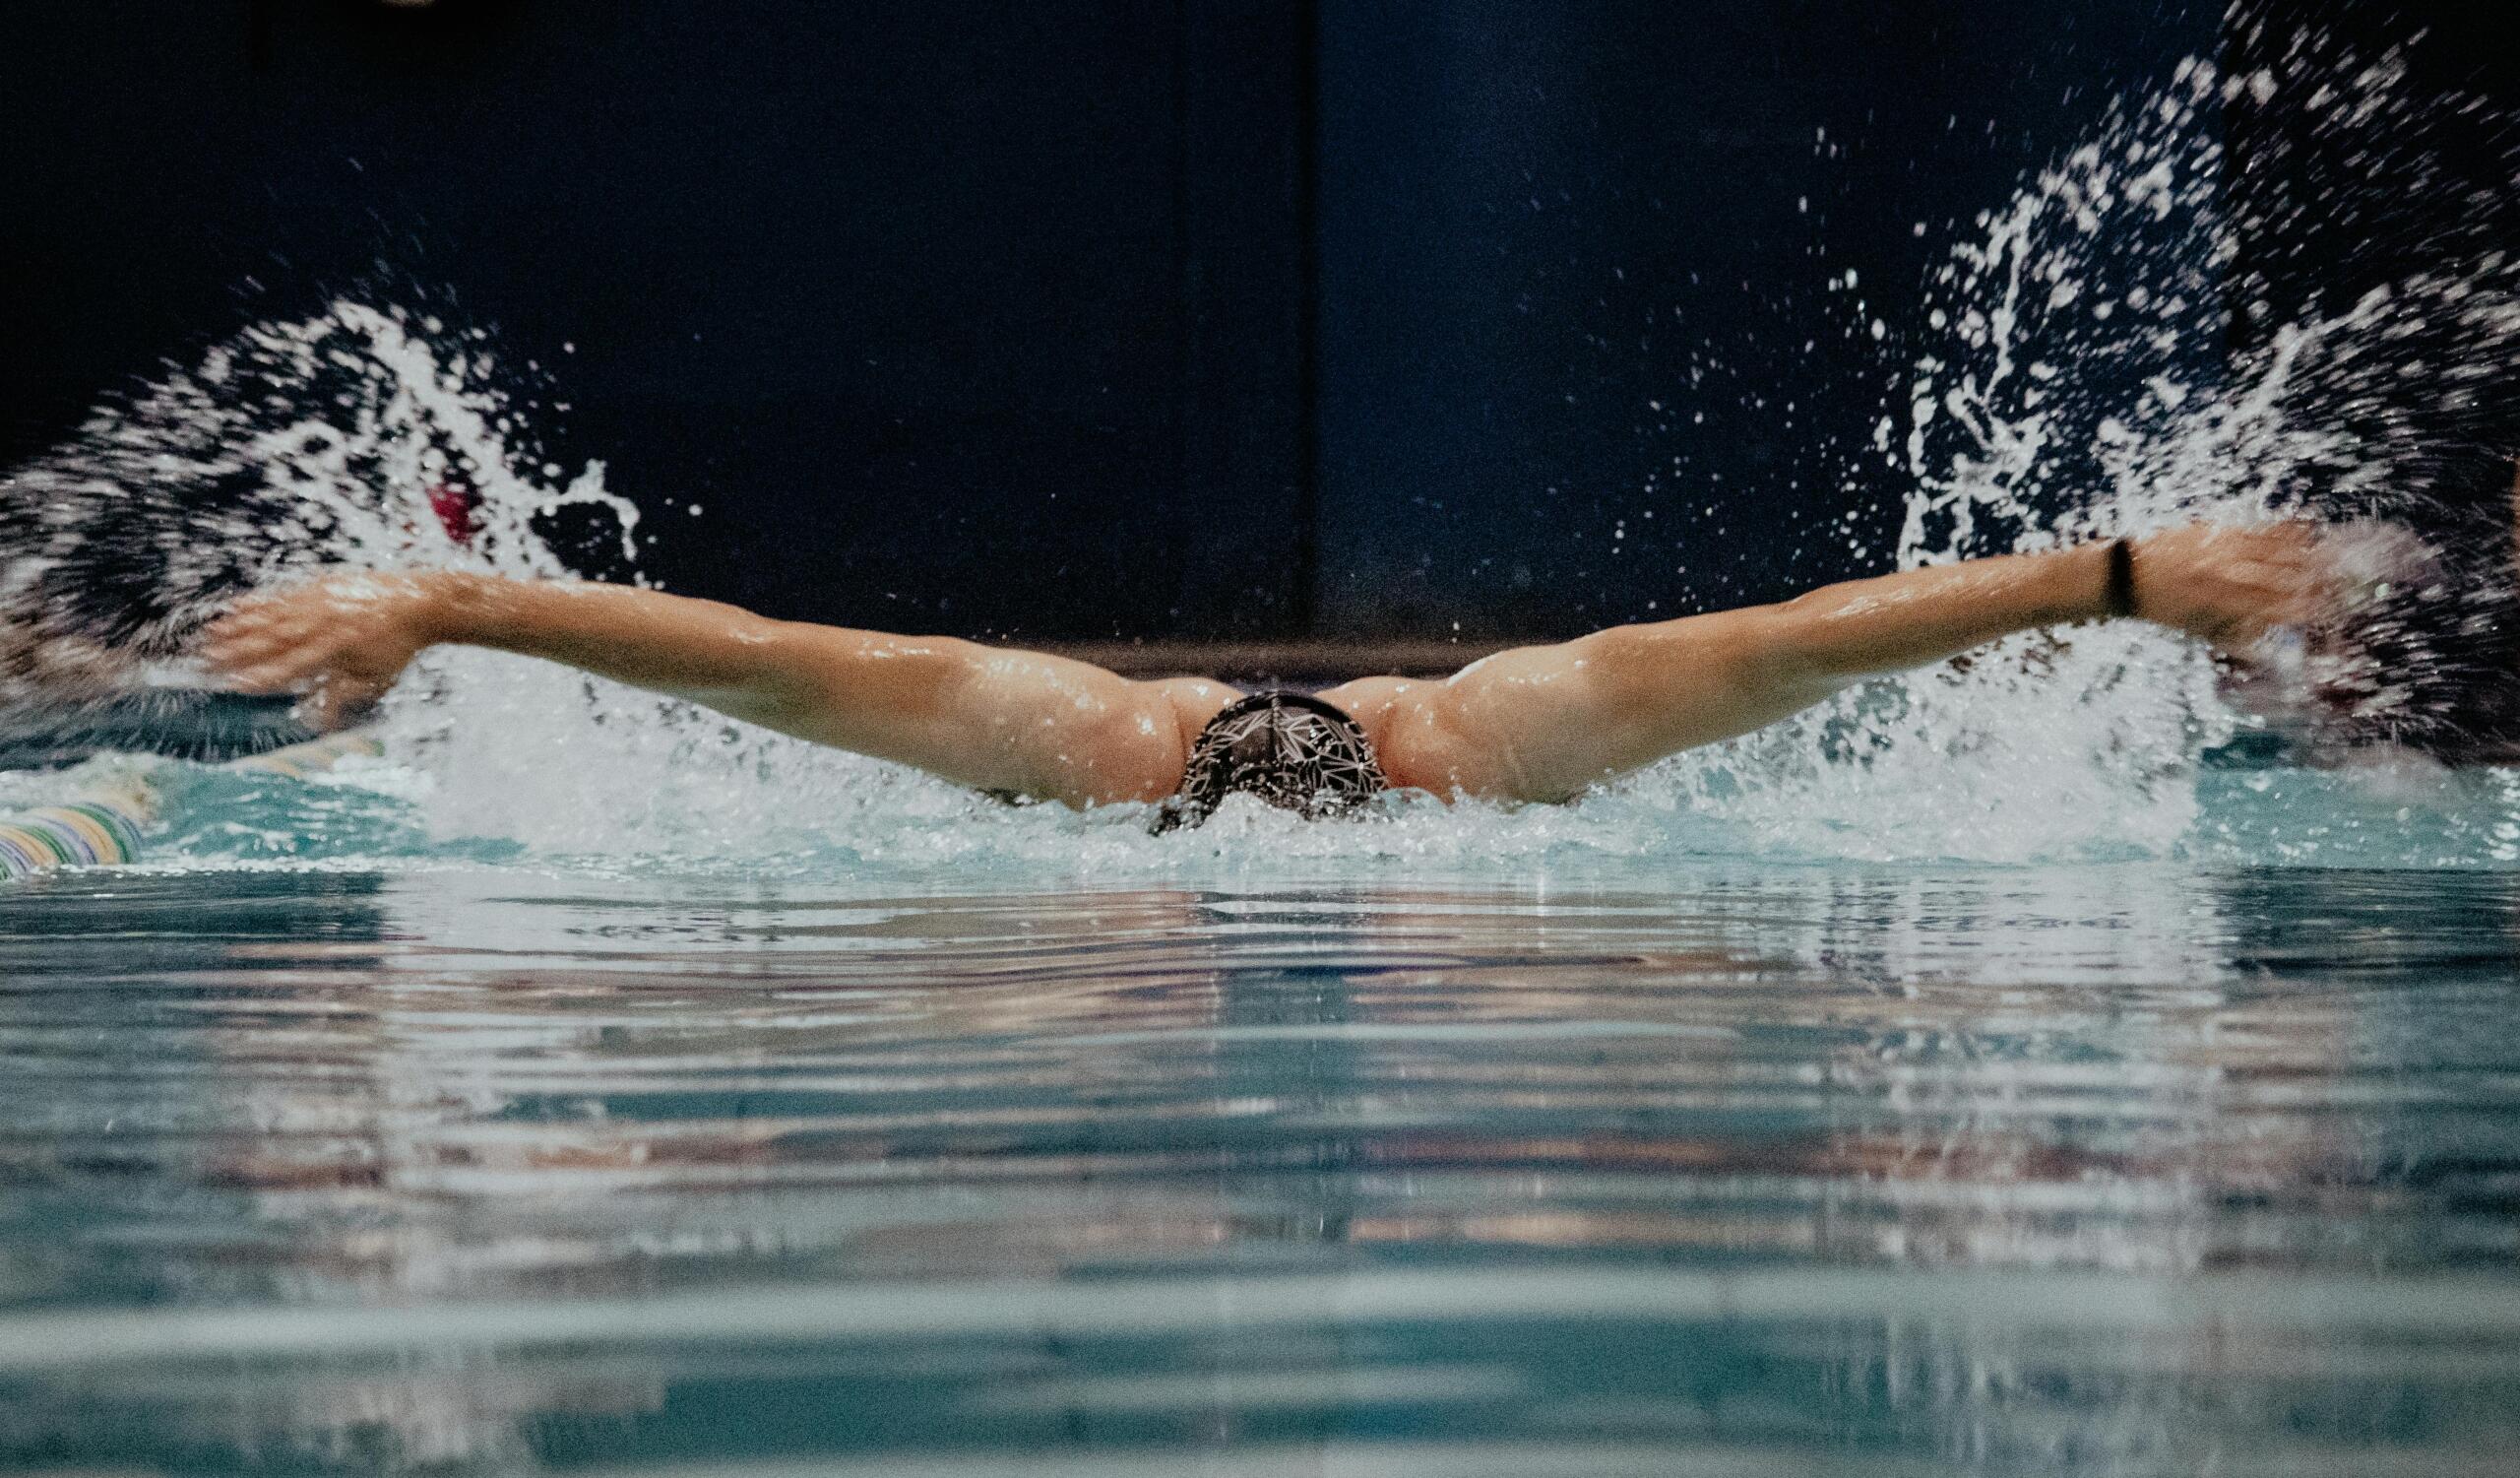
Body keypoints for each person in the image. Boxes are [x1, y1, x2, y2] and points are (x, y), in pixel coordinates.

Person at [202, 523, 2336, 828]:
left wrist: (2129, 576)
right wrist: (2120, 579)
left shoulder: (1503, 732)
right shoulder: (1096, 742)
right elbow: (764, 669)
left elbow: (763, 672)